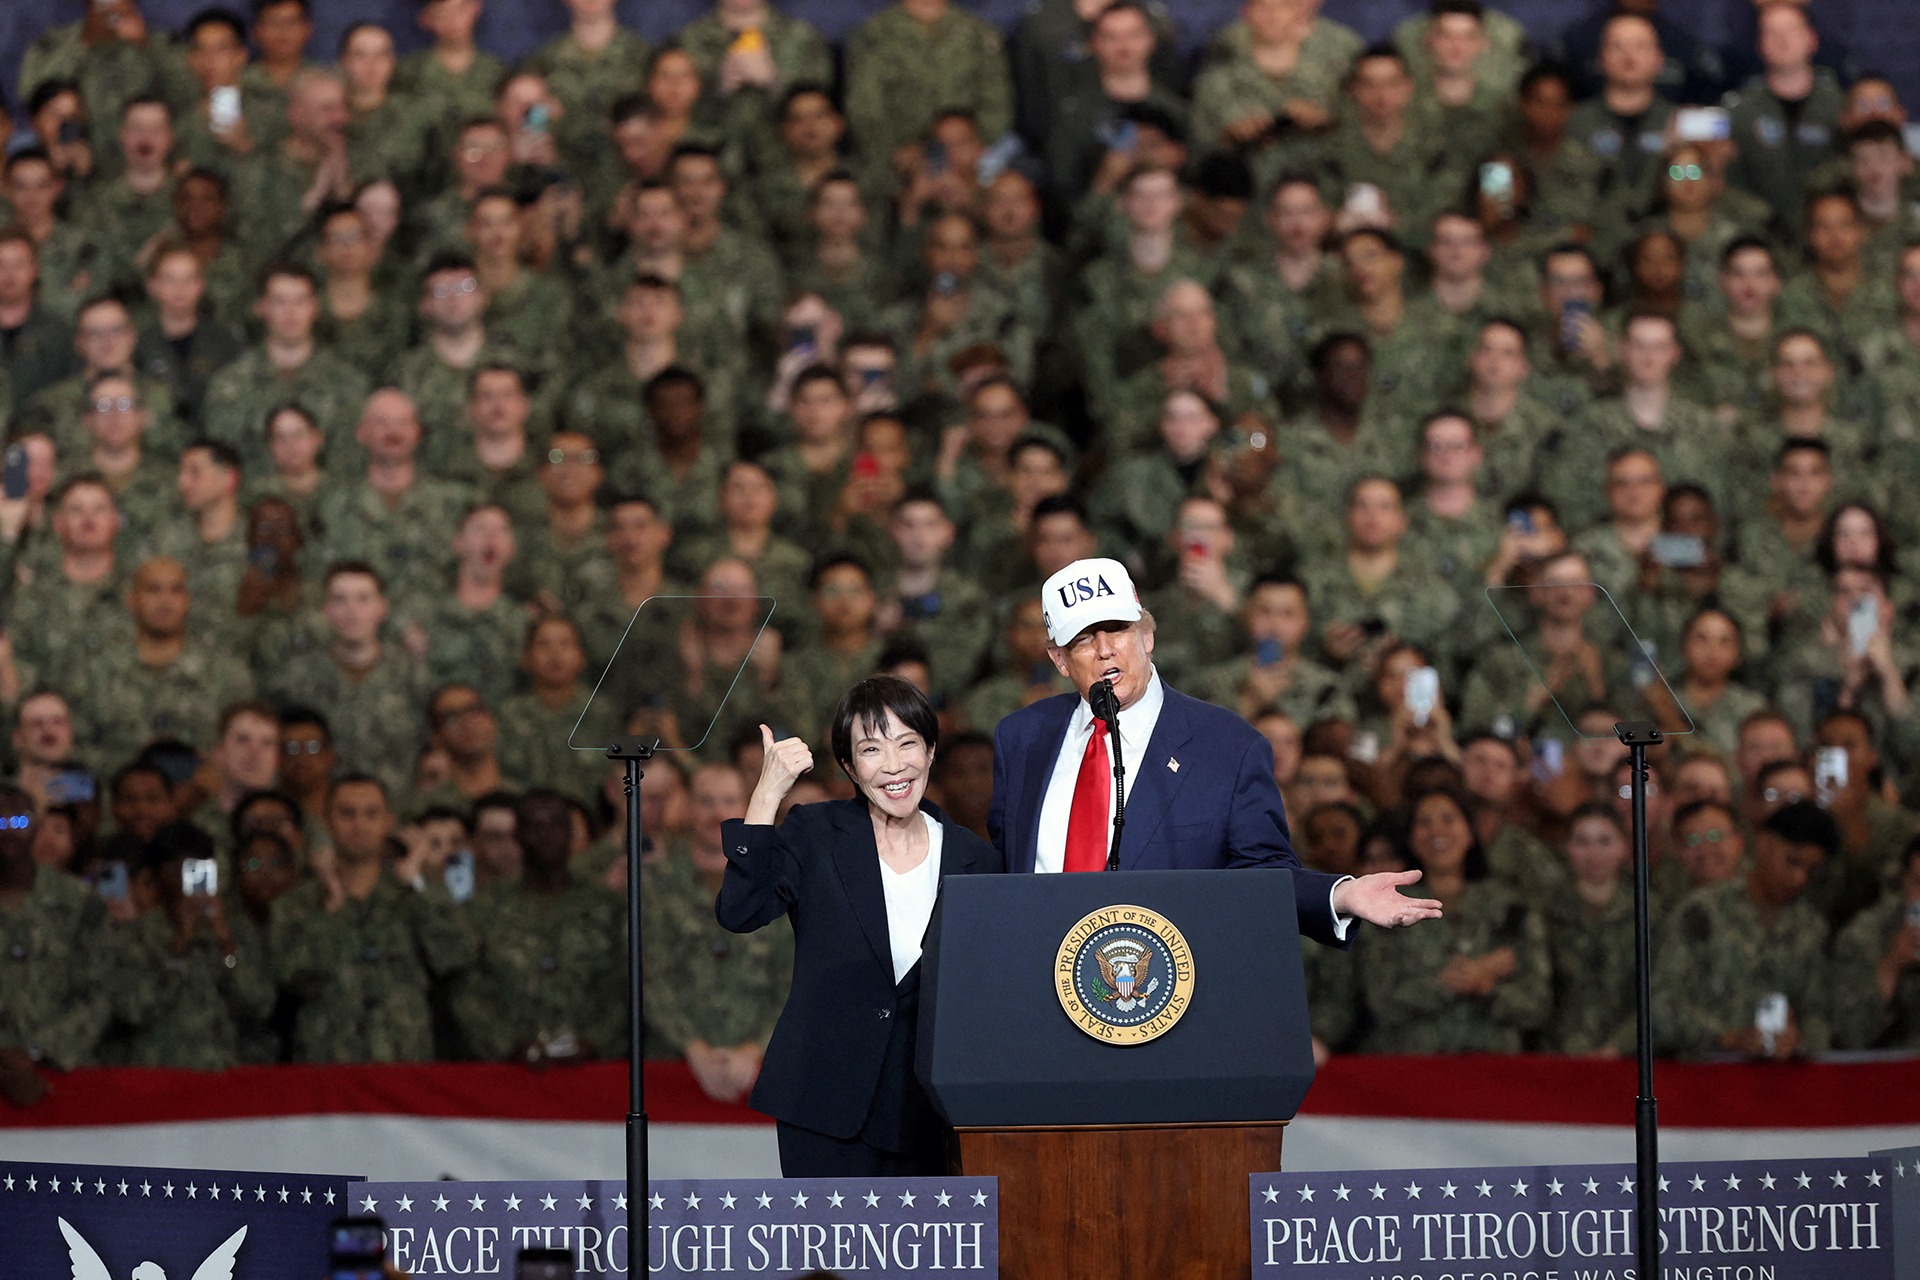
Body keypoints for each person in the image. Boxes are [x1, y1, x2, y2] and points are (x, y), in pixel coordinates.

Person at [987, 557, 1440, 942]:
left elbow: (1260, 872)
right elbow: (1004, 870)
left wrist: (1337, 896)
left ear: (1147, 637)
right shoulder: (1023, 737)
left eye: (1117, 630)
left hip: (1164, 1000)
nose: (1105, 651)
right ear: (1059, 660)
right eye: (1083, 639)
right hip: (1038, 986)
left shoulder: (1228, 746)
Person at [719, 676, 1004, 1176]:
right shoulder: (815, 833)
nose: (894, 766)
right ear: (850, 767)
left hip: (929, 1113)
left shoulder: (974, 859)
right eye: (871, 749)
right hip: (824, 1102)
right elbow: (740, 910)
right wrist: (767, 794)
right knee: (832, 1255)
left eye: (907, 743)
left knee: (920, 1256)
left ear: (931, 751)